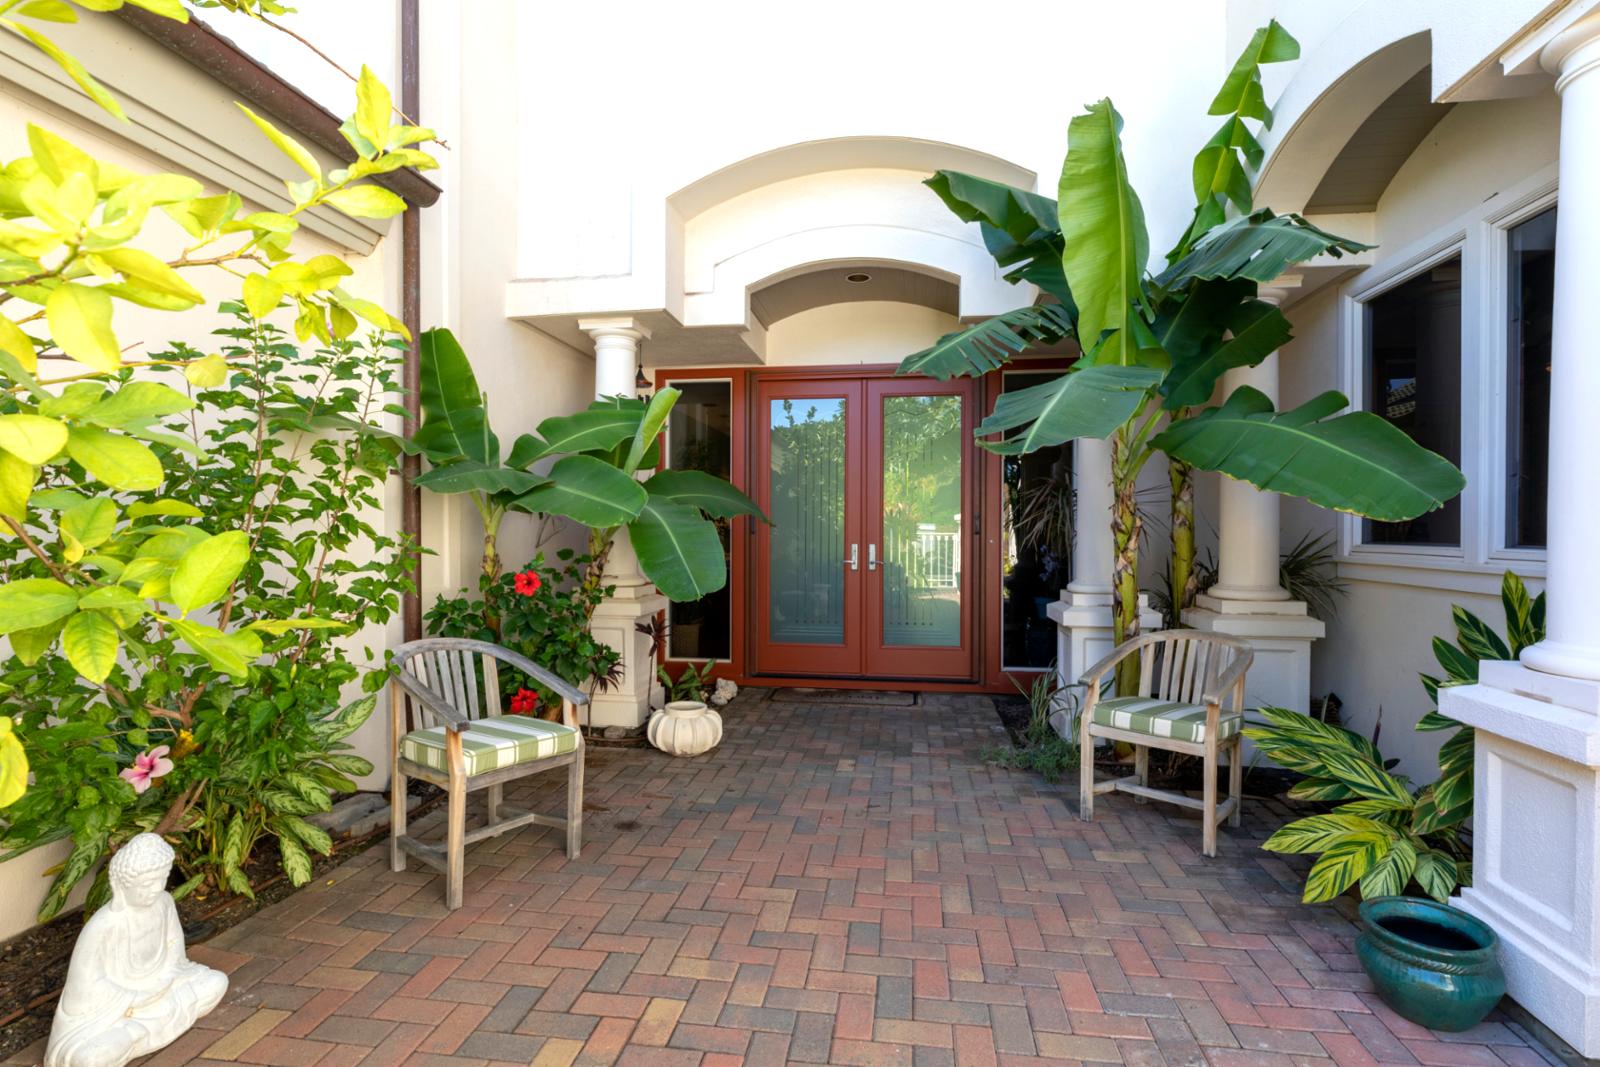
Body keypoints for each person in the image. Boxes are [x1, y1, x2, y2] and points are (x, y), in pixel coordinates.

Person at [44, 833, 227, 1067]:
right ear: (121, 884)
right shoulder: (104, 925)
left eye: (160, 880)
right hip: (116, 1009)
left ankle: (140, 1032)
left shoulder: (164, 903)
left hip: (162, 991)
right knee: (88, 1059)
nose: (155, 889)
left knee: (215, 982)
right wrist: (136, 998)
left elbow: (175, 954)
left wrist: (165, 982)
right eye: (145, 884)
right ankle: (131, 1034)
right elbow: (84, 989)